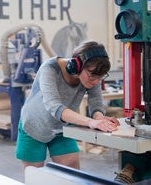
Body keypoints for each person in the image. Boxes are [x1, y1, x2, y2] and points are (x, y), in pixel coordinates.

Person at [15, 40, 120, 170]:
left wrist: (99, 118)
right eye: (93, 76)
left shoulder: (93, 73)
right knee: (34, 176)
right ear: (76, 65)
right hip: (34, 126)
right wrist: (90, 122)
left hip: (61, 128)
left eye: (101, 77)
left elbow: (96, 102)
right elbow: (54, 106)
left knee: (71, 174)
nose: (96, 81)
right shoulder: (50, 69)